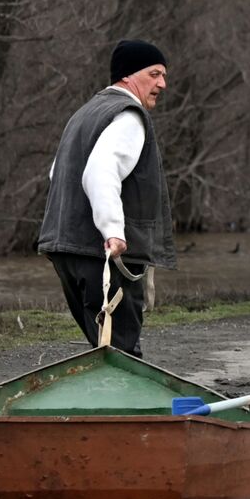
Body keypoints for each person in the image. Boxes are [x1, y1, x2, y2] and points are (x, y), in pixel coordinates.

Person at [37, 39, 177, 355]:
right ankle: (130, 405)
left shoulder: (85, 113)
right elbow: (99, 172)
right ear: (128, 75)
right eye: (154, 74)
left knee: (105, 346)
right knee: (123, 352)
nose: (162, 84)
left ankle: (104, 403)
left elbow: (57, 174)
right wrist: (113, 230)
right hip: (102, 253)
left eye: (163, 75)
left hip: (67, 251)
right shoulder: (128, 116)